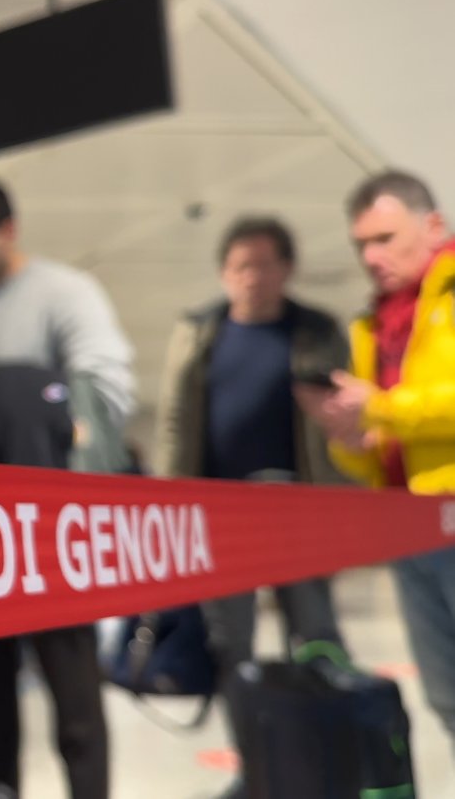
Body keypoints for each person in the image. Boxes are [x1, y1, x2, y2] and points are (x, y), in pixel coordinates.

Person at [0, 176, 134, 799]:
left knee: (77, 706)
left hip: (50, 530)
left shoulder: (66, 294)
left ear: (7, 231)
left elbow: (101, 405)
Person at [154, 216, 349, 798]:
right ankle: (255, 765)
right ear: (224, 273)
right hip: (220, 516)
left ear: (286, 269)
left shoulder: (316, 332)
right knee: (229, 646)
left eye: (265, 265)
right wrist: (170, 501)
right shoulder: (200, 332)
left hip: (298, 510)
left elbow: (339, 426)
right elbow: (173, 422)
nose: (253, 278)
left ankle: (326, 756)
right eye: (241, 266)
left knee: (315, 636)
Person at [298, 170, 455, 752]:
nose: (371, 255)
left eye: (386, 237)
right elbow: (378, 451)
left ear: (433, 226)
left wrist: (383, 406)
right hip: (409, 529)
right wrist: (348, 434)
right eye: (361, 243)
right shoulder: (371, 324)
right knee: (445, 697)